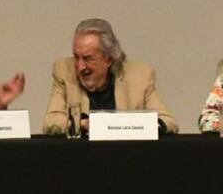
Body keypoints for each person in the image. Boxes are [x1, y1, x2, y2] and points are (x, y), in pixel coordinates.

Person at [39, 18, 178, 135]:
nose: (80, 66)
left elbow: (168, 122)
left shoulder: (140, 75)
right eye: (76, 57)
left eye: (88, 58)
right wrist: (83, 124)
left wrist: (134, 125)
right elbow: (51, 122)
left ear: (109, 59)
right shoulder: (64, 71)